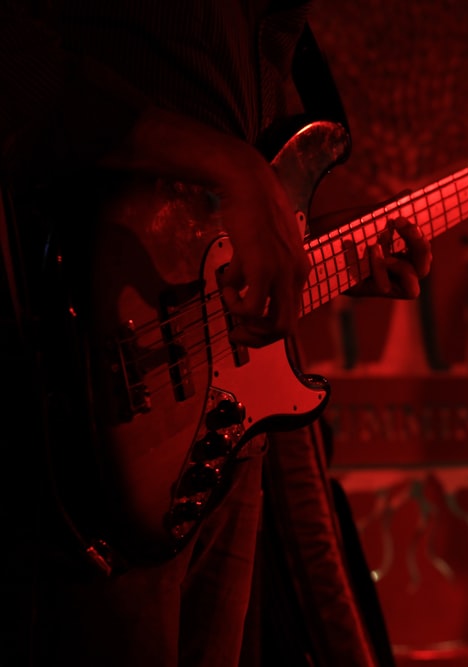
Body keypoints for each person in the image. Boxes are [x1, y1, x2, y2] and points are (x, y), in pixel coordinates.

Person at [0, 2, 430, 665]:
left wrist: (304, 241)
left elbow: (245, 136)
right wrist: (230, 167)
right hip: (87, 372)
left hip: (221, 411)